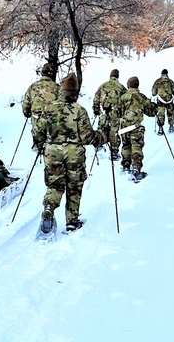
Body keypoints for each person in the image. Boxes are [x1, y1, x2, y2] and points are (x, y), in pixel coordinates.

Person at [32, 73, 108, 233]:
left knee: (55, 184)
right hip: (74, 153)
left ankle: (49, 207)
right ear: (75, 92)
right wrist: (102, 137)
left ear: (62, 90)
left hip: (52, 152)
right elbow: (87, 137)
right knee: (74, 186)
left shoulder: (49, 108)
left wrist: (42, 142)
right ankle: (72, 222)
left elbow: (38, 131)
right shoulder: (79, 110)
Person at [115, 75, 157, 182]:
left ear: (128, 85)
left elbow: (116, 112)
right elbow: (151, 112)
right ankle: (136, 168)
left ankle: (125, 165)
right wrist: (154, 106)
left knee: (126, 146)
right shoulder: (141, 97)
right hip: (137, 128)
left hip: (124, 128)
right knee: (137, 147)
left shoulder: (123, 97)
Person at [92, 68, 127, 161]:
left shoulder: (103, 86)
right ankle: (114, 152)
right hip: (116, 113)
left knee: (101, 129)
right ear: (117, 77)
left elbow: (96, 98)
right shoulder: (121, 87)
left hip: (104, 111)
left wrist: (96, 109)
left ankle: (98, 146)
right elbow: (126, 100)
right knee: (114, 132)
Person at [151, 69, 174, 134]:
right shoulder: (170, 81)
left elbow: (153, 93)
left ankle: (160, 129)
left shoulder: (157, 81)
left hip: (160, 100)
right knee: (170, 113)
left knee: (161, 114)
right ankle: (171, 127)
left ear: (161, 74)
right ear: (167, 74)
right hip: (169, 100)